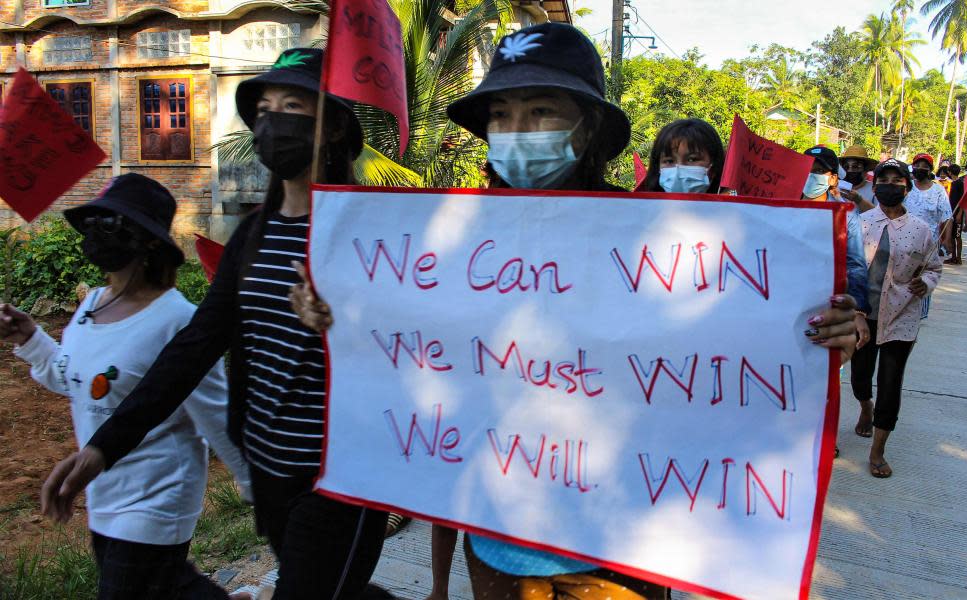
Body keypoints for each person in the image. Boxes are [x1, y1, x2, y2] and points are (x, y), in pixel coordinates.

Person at [292, 23, 861, 600]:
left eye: (541, 111)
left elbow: (738, 343)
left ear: (588, 128)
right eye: (501, 114)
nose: (517, 131)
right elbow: (411, 346)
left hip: (624, 551)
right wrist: (336, 310)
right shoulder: (449, 242)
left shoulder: (656, 238)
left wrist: (835, 327)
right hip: (496, 545)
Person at [37, 48, 390, 600]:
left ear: (333, 127)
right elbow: (194, 347)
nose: (273, 122)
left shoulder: (375, 235)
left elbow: (412, 349)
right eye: (264, 108)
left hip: (343, 478)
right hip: (271, 469)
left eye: (292, 105)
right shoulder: (252, 238)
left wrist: (343, 327)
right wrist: (103, 447)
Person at [1, 174, 250, 600]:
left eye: (112, 224)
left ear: (149, 241)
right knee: (166, 588)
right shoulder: (92, 305)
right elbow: (79, 381)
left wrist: (256, 488)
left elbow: (214, 411)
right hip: (102, 491)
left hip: (158, 494)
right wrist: (31, 338)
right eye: (94, 222)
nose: (98, 233)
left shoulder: (178, 320)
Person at [851, 159, 942, 478]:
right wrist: (857, 313)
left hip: (901, 316)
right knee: (860, 377)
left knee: (890, 383)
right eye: (884, 180)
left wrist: (926, 283)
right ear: (875, 187)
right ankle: (865, 407)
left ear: (907, 186)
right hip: (863, 317)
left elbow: (934, 267)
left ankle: (877, 450)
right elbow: (850, 270)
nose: (890, 185)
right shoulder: (860, 224)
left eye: (897, 180)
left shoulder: (921, 230)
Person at [801, 145, 872, 353]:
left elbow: (855, 263)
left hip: (828, 302)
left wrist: (858, 311)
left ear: (832, 179)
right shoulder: (782, 206)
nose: (811, 175)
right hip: (788, 298)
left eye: (818, 171)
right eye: (807, 169)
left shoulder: (846, 215)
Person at [904, 153, 951, 317]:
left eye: (925, 166)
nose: (920, 169)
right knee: (904, 274)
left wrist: (946, 240)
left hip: (929, 242)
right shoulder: (906, 187)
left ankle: (921, 313)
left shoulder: (938, 191)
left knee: (924, 276)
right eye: (917, 165)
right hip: (905, 239)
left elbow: (947, 216)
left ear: (931, 169)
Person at [637, 118, 725, 193]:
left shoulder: (732, 210)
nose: (678, 169)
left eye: (692, 159)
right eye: (669, 161)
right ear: (658, 167)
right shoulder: (643, 211)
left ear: (714, 166)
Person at [840, 144, 877, 211]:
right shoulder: (836, 188)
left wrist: (858, 200)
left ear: (866, 168)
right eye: (846, 167)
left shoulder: (874, 190)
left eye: (855, 166)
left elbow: (879, 216)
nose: (850, 170)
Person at [945, 164, 965, 264]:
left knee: (957, 236)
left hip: (957, 213)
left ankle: (959, 257)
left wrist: (960, 213)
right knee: (952, 235)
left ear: (950, 172)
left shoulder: (960, 183)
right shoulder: (951, 184)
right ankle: (953, 256)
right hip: (950, 212)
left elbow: (963, 200)